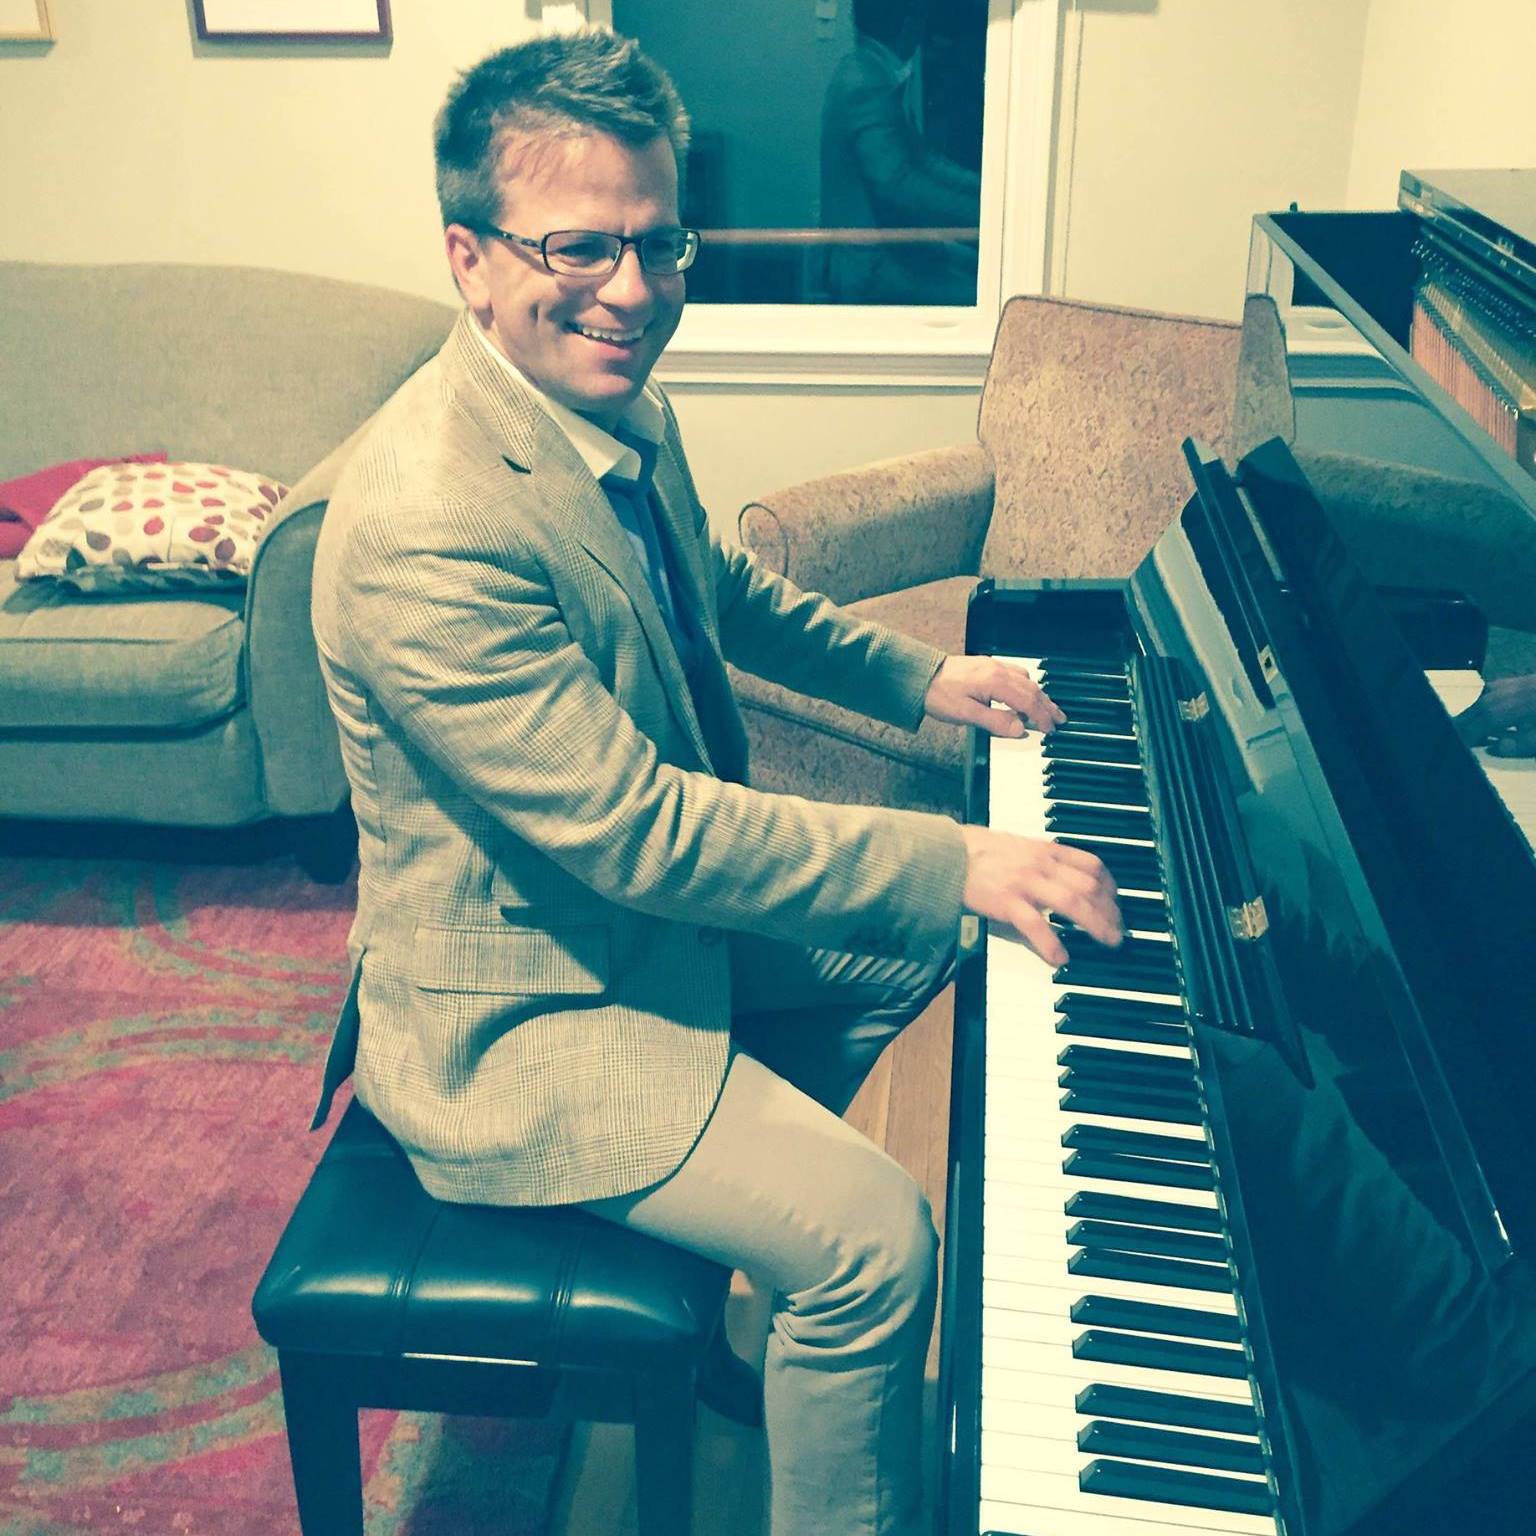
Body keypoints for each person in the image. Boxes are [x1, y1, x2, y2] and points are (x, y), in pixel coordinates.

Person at [308, 30, 1121, 1536]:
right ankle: (808, 1306)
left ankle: (766, 1292)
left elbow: (728, 592)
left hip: (634, 934)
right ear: (470, 257)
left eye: (659, 242)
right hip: (527, 1013)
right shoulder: (426, 523)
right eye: (581, 247)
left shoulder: (607, 404)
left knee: (946, 946)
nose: (634, 289)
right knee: (876, 1237)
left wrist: (918, 677)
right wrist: (951, 855)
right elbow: (637, 831)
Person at [820, 0, 982, 304]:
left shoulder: (870, 70)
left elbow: (925, 161)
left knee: (979, 271)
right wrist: (980, 216)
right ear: (909, 24)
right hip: (869, 266)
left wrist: (985, 194)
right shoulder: (865, 82)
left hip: (888, 253)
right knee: (985, 297)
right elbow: (899, 185)